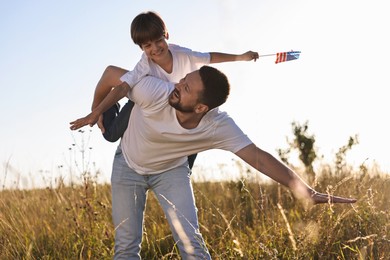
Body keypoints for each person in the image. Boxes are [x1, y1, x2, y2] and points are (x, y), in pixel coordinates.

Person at [70, 65, 357, 259]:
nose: (177, 86)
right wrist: (96, 111)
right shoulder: (154, 89)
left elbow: (259, 158)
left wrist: (306, 191)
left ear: (201, 108)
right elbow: (110, 74)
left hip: (171, 171)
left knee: (192, 245)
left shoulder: (218, 125)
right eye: (183, 80)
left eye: (185, 87)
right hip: (129, 166)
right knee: (126, 248)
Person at [92, 11, 259, 169]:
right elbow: (123, 87)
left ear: (166, 35)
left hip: (176, 106)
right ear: (141, 48)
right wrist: (98, 109)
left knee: (193, 128)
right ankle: (112, 108)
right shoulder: (144, 64)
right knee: (111, 135)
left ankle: (185, 169)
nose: (155, 48)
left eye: (158, 40)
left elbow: (210, 57)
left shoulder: (183, 55)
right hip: (144, 103)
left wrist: (240, 57)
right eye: (148, 46)